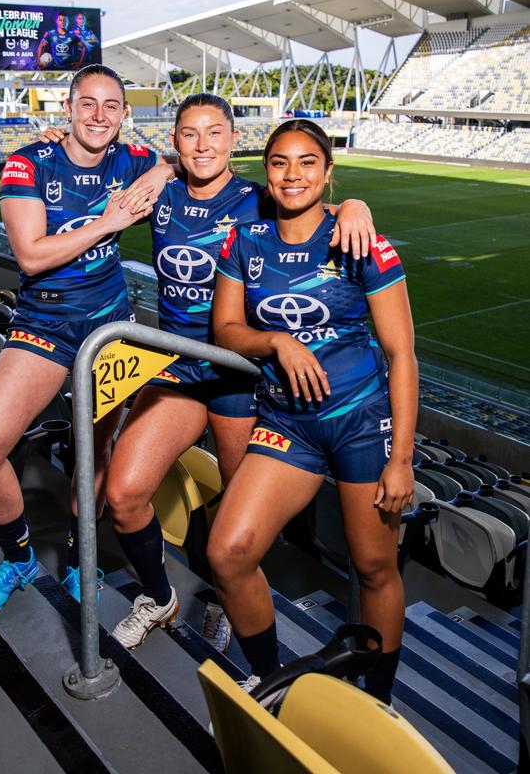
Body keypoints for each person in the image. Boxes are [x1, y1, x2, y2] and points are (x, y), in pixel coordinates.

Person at [94, 96, 376, 652]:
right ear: (173, 141)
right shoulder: (162, 191)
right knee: (123, 493)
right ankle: (158, 596)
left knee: (238, 517)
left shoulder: (260, 199)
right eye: (190, 134)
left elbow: (316, 206)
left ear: (233, 139)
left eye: (215, 133)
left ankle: (232, 603)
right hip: (179, 365)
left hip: (241, 374)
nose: (203, 145)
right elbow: (92, 154)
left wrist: (356, 205)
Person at [209, 118, 417, 704]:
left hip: (360, 423)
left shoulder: (361, 242)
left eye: (307, 162)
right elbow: (225, 330)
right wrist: (275, 341)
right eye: (279, 162)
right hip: (286, 423)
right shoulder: (243, 241)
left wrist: (401, 458)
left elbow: (402, 356)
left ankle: (378, 700)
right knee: (228, 553)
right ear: (266, 172)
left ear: (328, 173)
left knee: (374, 566)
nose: (293, 174)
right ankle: (269, 679)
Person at [0, 64, 175, 612]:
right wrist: (106, 222)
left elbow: (176, 165)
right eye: (88, 104)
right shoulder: (28, 163)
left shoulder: (132, 160)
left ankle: (85, 558)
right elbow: (30, 254)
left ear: (124, 115)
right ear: (67, 109)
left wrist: (158, 174)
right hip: (45, 323)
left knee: (95, 451)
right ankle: (19, 557)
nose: (99, 115)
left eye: (111, 105)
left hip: (109, 326)